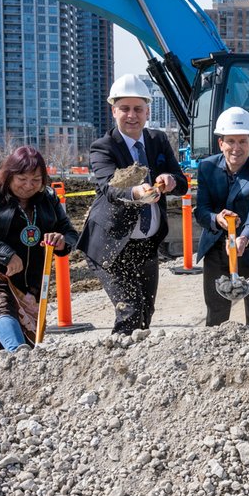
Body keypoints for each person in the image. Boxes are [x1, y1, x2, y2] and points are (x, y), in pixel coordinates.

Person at [76, 74, 187, 335]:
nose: (131, 115)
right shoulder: (103, 147)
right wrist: (136, 192)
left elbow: (181, 181)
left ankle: (137, 363)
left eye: (138, 109)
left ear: (147, 111)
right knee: (130, 312)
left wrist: (171, 180)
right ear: (114, 111)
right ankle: (116, 362)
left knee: (145, 313)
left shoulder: (158, 140)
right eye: (124, 109)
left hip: (145, 244)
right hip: (111, 245)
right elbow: (110, 187)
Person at [0, 146, 79, 352]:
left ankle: (17, 358)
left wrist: (62, 240)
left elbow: (70, 232)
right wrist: (5, 254)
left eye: (36, 180)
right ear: (10, 175)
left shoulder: (48, 199)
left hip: (29, 281)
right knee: (0, 303)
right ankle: (17, 353)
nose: (28, 186)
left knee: (28, 335)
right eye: (22, 179)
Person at [194, 107, 249, 326]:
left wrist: (245, 236)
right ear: (221, 143)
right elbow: (201, 210)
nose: (236, 148)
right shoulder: (206, 168)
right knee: (216, 317)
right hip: (217, 251)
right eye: (231, 141)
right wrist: (216, 219)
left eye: (243, 141)